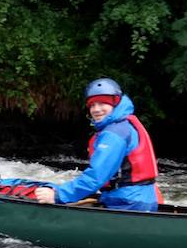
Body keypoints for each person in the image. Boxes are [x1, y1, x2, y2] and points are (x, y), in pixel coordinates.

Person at [34, 77, 159, 211]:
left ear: (115, 103)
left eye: (102, 103)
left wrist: (58, 195)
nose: (96, 109)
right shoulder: (122, 125)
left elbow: (97, 176)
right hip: (136, 199)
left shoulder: (115, 133)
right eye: (92, 105)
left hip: (128, 203)